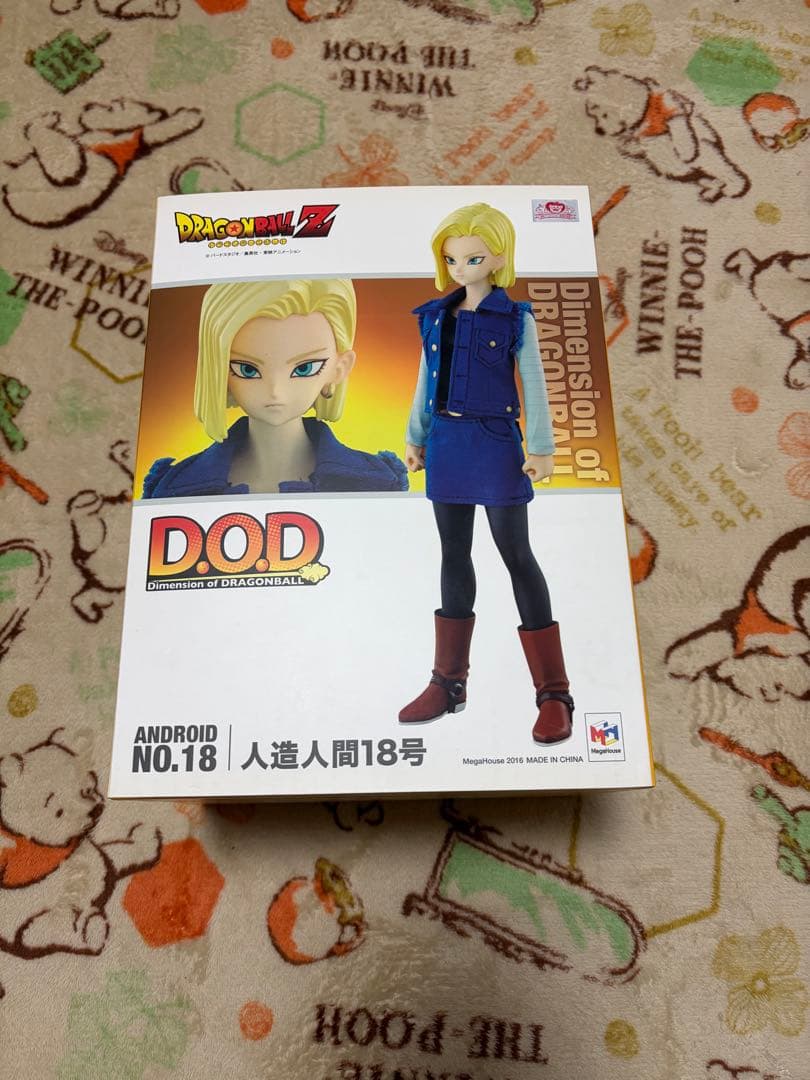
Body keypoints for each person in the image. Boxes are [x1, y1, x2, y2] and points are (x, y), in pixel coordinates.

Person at [398, 203, 573, 744]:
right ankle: (448, 682)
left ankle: (554, 692)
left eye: (472, 258)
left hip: (496, 444)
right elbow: (426, 380)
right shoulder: (436, 316)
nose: (460, 268)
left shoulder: (515, 318)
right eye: (451, 259)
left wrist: (541, 448)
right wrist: (415, 437)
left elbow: (534, 384)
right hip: (446, 444)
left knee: (516, 554)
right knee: (453, 553)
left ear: (498, 258)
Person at [142, 278, 408, 497]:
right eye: (247, 369)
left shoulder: (377, 482)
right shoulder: (176, 487)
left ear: (340, 367)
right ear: (217, 369)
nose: (275, 391)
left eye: (304, 368)